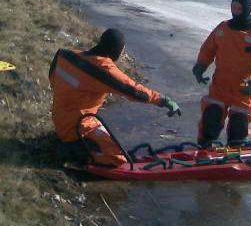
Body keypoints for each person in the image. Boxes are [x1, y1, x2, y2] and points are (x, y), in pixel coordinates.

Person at [49, 28, 181, 166]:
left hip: (59, 119)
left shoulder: (64, 56)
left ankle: (75, 143)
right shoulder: (101, 69)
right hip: (77, 128)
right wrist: (163, 100)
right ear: (116, 51)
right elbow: (134, 91)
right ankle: (78, 152)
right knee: (118, 159)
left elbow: (53, 79)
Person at [192, 0, 251, 147]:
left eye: (239, 8)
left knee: (238, 128)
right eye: (233, 7)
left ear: (247, 9)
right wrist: (200, 66)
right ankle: (203, 151)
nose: (235, 11)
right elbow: (208, 48)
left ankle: (233, 158)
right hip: (221, 85)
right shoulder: (223, 28)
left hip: (244, 89)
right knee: (210, 119)